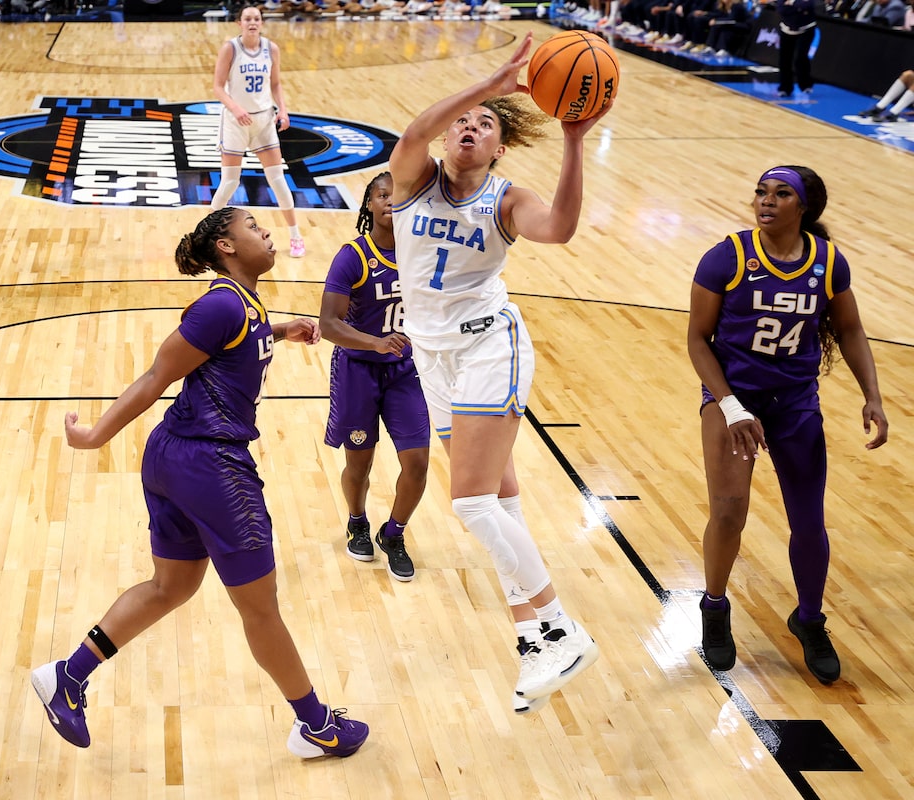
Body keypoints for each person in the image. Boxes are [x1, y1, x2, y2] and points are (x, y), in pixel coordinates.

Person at [31, 207, 368, 757]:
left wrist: (279, 331)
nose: (266, 232)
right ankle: (315, 725)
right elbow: (156, 376)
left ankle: (67, 677)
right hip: (214, 467)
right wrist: (94, 437)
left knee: (172, 587)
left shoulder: (243, 303)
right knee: (260, 608)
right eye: (253, 227)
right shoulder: (221, 304)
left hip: (176, 457)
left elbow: (231, 345)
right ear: (226, 247)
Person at [387, 34, 607, 712]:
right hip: (432, 357)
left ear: (499, 149)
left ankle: (562, 627)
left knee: (472, 503)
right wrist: (489, 85)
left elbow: (560, 229)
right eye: (461, 120)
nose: (469, 127)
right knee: (502, 503)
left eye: (484, 125)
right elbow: (414, 131)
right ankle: (533, 638)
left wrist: (574, 140)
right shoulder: (411, 180)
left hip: (489, 348)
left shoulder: (508, 200)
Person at [688, 166, 888, 685]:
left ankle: (809, 619)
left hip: (795, 402)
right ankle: (714, 607)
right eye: (761, 192)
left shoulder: (827, 262)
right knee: (729, 512)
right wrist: (730, 406)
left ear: (804, 207)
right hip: (734, 398)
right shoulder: (727, 256)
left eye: (781, 194)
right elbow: (697, 339)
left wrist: (872, 395)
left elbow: (850, 329)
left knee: (808, 520)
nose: (766, 201)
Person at [319, 172, 430, 583]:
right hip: (357, 371)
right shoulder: (352, 256)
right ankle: (357, 521)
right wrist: (376, 342)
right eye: (382, 195)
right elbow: (328, 324)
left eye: (399, 195)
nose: (390, 201)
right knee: (359, 464)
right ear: (369, 203)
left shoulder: (423, 254)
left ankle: (393, 533)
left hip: (406, 373)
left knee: (417, 464)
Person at [210, 5, 305, 259]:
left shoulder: (271, 48)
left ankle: (295, 236)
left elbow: (276, 83)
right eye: (247, 19)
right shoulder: (230, 48)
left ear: (261, 23)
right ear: (239, 23)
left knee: (278, 180)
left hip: (263, 120)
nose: (252, 22)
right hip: (235, 121)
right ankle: (204, 235)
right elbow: (217, 87)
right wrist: (236, 108)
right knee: (230, 182)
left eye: (256, 19)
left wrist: (283, 109)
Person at [764, 0, 818, 98]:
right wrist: (799, 8)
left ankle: (806, 84)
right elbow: (781, 9)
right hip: (786, 29)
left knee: (801, 57)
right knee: (784, 60)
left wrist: (792, 3)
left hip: (806, 29)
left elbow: (808, 5)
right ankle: (785, 88)